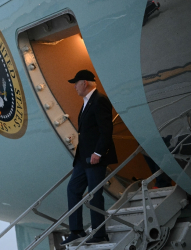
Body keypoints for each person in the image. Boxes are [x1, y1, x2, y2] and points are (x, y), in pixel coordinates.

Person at [61, 70, 118, 246]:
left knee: (95, 195)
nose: (74, 87)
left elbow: (105, 130)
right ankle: (76, 230)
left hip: (94, 158)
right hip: (82, 159)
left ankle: (99, 233)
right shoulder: (87, 102)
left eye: (76, 83)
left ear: (84, 83)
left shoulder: (100, 100)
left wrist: (98, 153)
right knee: (73, 189)